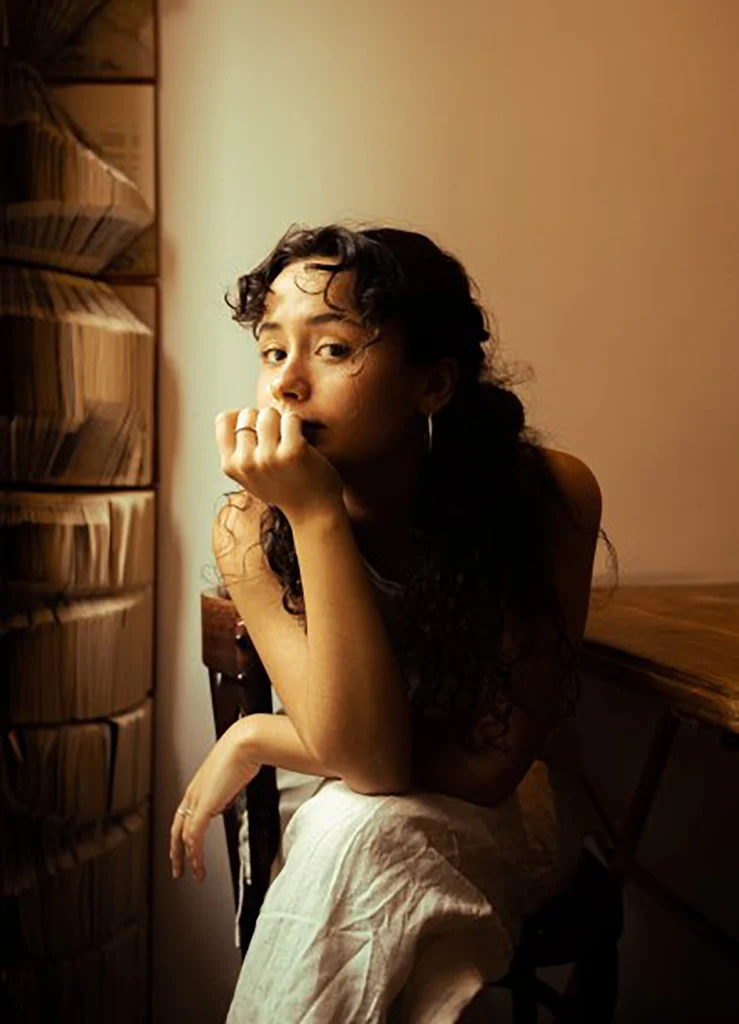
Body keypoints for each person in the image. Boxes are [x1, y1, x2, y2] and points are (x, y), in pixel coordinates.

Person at [169, 222, 618, 1022]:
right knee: (360, 833)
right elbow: (366, 764)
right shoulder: (248, 525)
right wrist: (311, 516)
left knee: (361, 832)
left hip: (502, 815)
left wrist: (258, 736)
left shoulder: (544, 496)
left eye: (332, 349)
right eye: (272, 350)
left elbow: (483, 771)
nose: (286, 385)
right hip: (331, 807)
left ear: (433, 383)